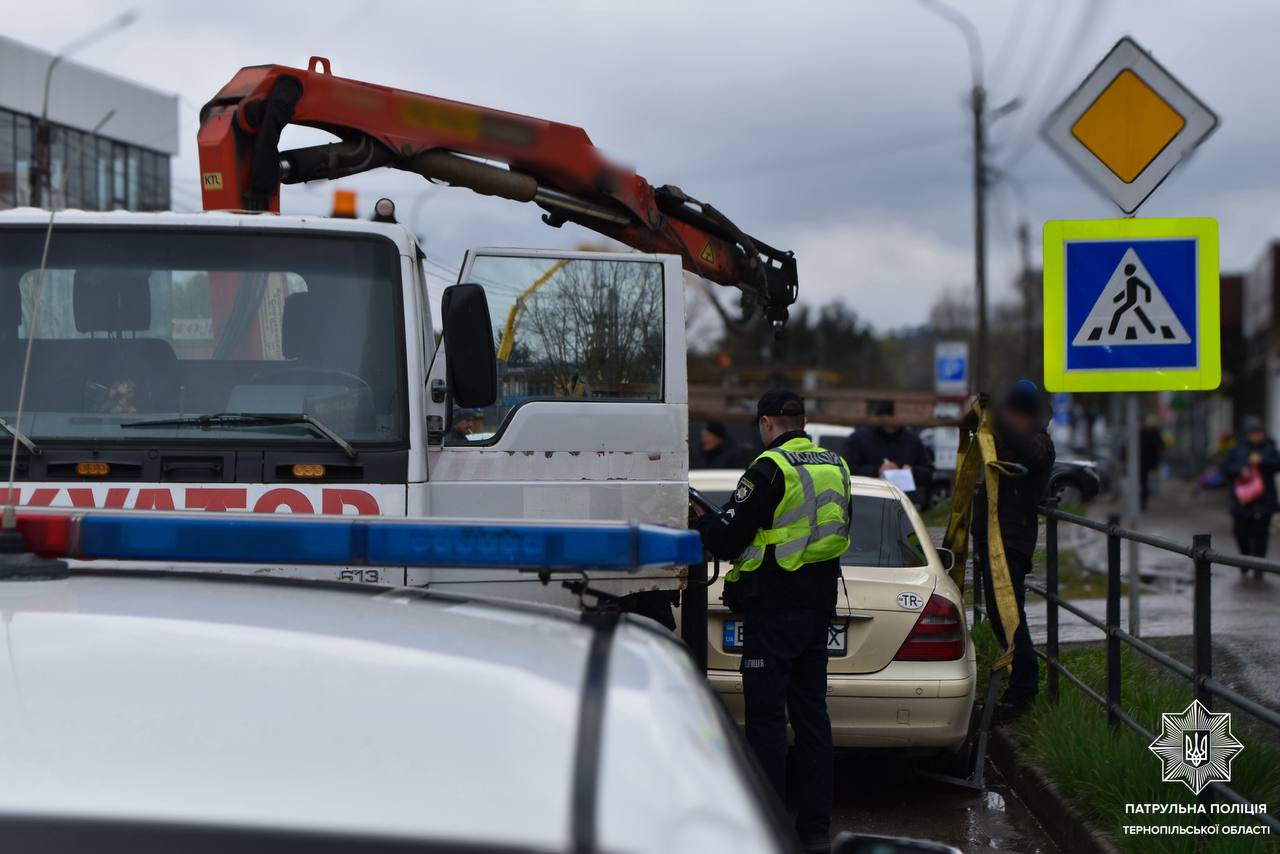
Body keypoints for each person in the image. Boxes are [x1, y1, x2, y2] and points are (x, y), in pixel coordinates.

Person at [693, 389, 849, 853]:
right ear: (802, 420)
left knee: (765, 720)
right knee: (812, 716)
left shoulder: (769, 468)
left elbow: (726, 539)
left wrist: (702, 522)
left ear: (766, 424)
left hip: (773, 608)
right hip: (817, 606)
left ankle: (767, 828)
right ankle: (816, 829)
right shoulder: (836, 465)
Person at [963, 379, 1055, 722]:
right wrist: (979, 412)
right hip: (993, 538)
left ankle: (1024, 690)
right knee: (1001, 617)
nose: (1010, 418)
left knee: (1009, 617)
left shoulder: (1040, 443)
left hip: (1012, 542)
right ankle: (1020, 685)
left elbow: (1029, 454)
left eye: (1015, 413)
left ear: (1028, 415)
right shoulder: (1006, 437)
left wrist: (999, 418)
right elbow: (969, 429)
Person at [1221, 416, 1280, 579]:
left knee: (1261, 534)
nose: (1257, 436)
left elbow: (1277, 464)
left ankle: (1259, 566)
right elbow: (1226, 468)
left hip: (1264, 500)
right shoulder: (1237, 450)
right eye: (1253, 433)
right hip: (1242, 500)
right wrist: (1241, 471)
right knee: (1241, 533)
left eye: (1259, 432)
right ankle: (1245, 559)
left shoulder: (1269, 448)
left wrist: (1261, 462)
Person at [841, 400, 934, 498]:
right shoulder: (859, 438)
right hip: (867, 500)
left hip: (903, 502)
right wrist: (878, 472)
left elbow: (929, 473)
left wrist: (912, 472)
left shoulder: (913, 440)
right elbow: (846, 469)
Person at [1138, 414, 1163, 511]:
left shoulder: (1144, 434)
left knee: (1143, 482)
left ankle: (1143, 501)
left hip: (1144, 462)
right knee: (1144, 482)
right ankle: (1143, 501)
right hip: (1147, 462)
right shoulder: (1151, 433)